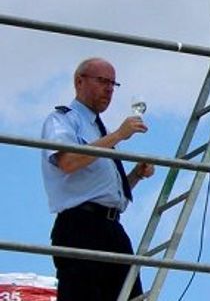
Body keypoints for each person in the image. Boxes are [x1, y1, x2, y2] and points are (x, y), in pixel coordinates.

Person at [40, 58, 155, 301]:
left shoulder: (98, 131)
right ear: (79, 81)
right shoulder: (62, 120)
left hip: (111, 227)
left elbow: (103, 191)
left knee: (130, 296)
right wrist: (118, 136)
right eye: (103, 81)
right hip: (80, 225)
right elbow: (68, 162)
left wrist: (134, 176)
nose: (109, 89)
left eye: (113, 84)